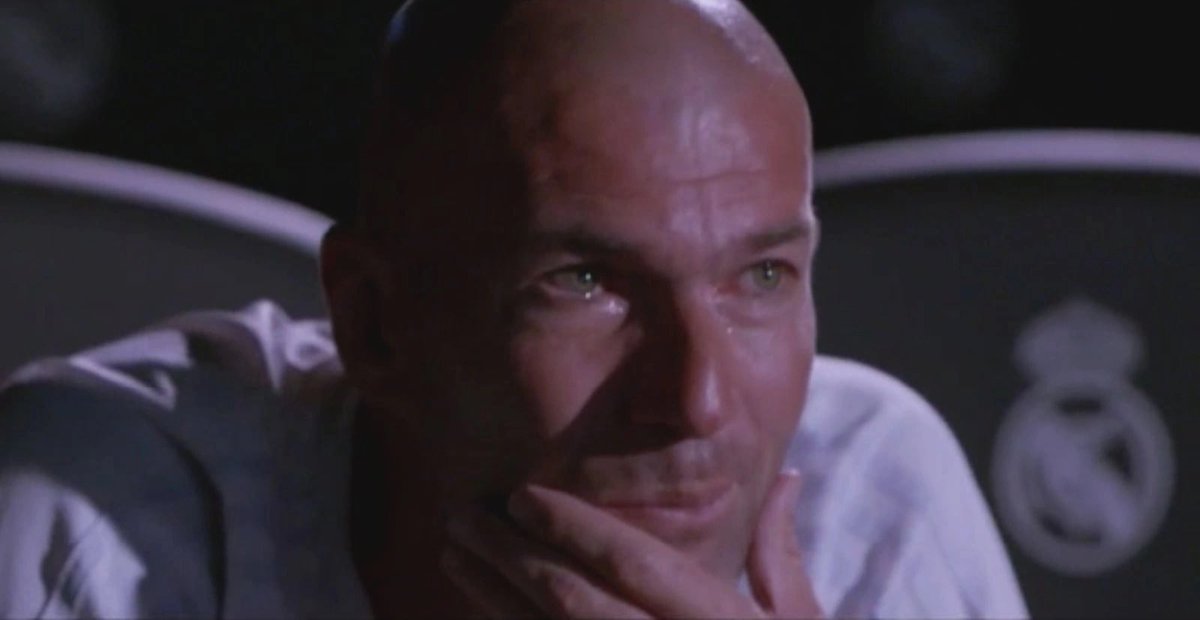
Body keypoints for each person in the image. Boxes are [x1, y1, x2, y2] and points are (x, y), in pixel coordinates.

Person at [0, 0, 1028, 618]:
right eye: (585, 283)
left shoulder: (867, 496)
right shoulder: (107, 516)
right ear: (375, 323)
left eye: (760, 277)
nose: (698, 401)